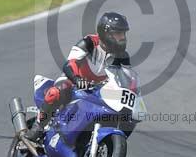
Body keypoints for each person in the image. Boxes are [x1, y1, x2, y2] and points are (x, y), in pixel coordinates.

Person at [26, 12, 130, 143]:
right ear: (106, 33)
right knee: (57, 91)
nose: (122, 37)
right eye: (118, 33)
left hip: (98, 91)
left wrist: (132, 92)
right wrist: (77, 80)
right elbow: (70, 64)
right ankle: (38, 127)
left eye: (123, 33)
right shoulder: (89, 42)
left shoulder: (122, 56)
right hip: (74, 82)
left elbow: (126, 79)